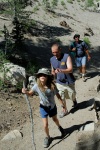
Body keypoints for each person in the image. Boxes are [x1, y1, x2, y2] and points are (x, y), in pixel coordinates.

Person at [22, 68, 66, 148]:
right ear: (38, 77)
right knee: (45, 125)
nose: (42, 76)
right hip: (43, 107)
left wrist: (62, 105)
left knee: (55, 119)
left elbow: (58, 95)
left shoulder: (52, 86)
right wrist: (25, 92)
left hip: (52, 107)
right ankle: (48, 137)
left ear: (47, 77)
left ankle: (59, 127)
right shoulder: (36, 86)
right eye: (40, 75)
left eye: (44, 75)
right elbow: (30, 93)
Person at [50, 43, 77, 118]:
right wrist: (52, 75)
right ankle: (65, 110)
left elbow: (70, 69)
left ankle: (74, 100)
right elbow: (52, 70)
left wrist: (61, 70)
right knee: (61, 96)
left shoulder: (66, 57)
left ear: (60, 50)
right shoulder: (52, 59)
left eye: (56, 52)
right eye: (53, 52)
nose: (55, 54)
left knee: (72, 95)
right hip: (59, 82)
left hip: (69, 81)